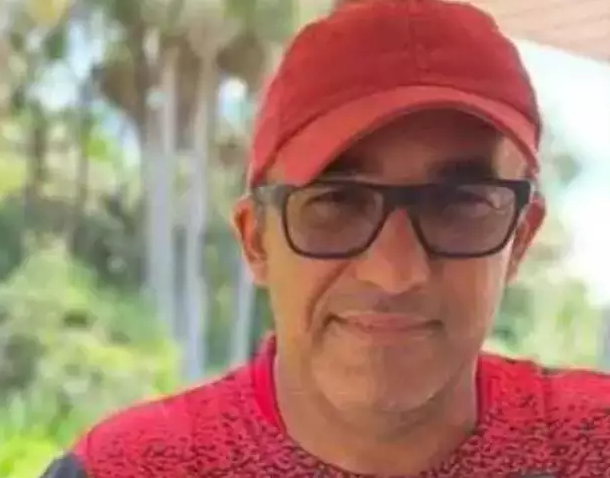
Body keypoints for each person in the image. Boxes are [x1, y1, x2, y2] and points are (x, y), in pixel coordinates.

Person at [40, 0, 610, 477]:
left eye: (460, 205)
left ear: (519, 239)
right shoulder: (127, 469)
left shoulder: (592, 447)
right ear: (257, 240)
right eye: (337, 203)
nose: (395, 273)